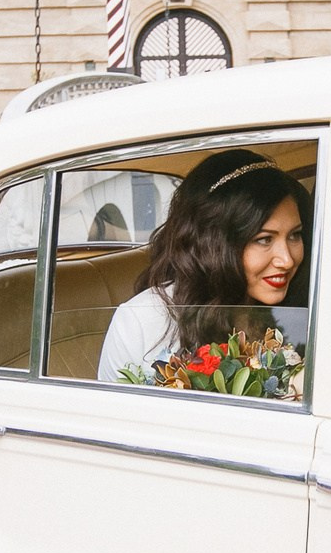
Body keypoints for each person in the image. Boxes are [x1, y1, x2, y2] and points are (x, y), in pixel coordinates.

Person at [97, 148, 312, 381]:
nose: (287, 259)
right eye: (264, 239)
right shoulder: (143, 321)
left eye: (294, 235)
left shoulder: (308, 310)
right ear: (214, 243)